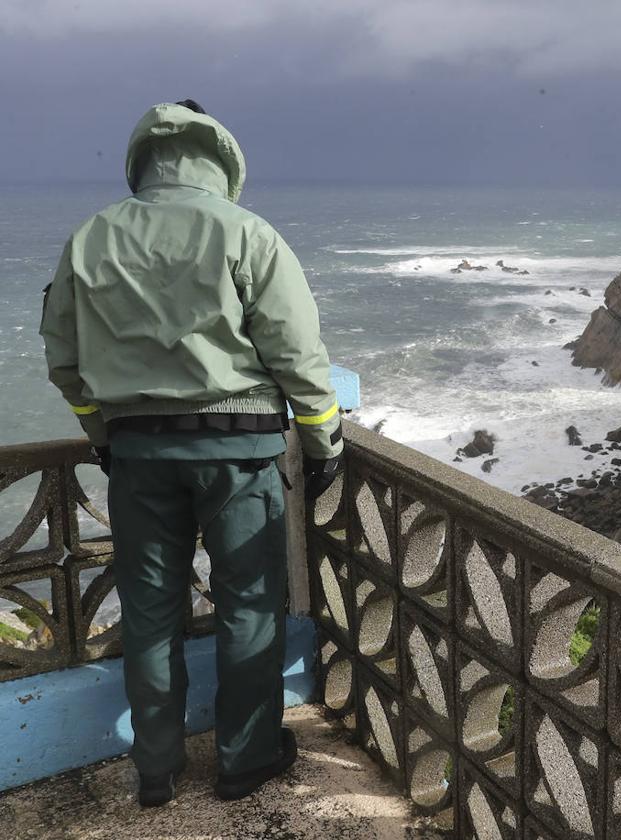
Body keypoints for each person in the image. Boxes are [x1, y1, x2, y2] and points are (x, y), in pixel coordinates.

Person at [39, 100, 344, 806]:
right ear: (222, 158)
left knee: (148, 613)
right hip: (239, 457)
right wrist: (323, 440)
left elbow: (64, 363)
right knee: (249, 607)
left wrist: (103, 435)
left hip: (140, 458)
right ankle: (246, 760)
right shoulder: (248, 234)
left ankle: (155, 769)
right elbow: (298, 356)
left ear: (142, 159)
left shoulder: (90, 239)